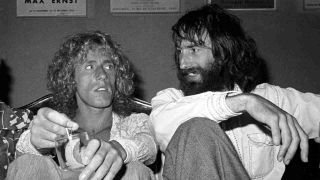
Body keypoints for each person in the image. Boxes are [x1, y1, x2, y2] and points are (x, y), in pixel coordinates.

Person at [150, 4, 320, 180]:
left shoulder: (270, 99)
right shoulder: (170, 101)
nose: (183, 63)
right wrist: (244, 102)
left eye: (193, 49)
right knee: (197, 129)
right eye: (179, 51)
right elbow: (160, 127)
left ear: (223, 51)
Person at [7, 31, 158, 180]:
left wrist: (118, 149)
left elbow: (148, 146)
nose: (102, 75)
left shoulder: (134, 123)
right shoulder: (54, 127)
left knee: (133, 169)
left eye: (109, 66)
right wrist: (35, 142)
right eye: (89, 67)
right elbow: (23, 159)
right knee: (28, 163)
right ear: (70, 78)